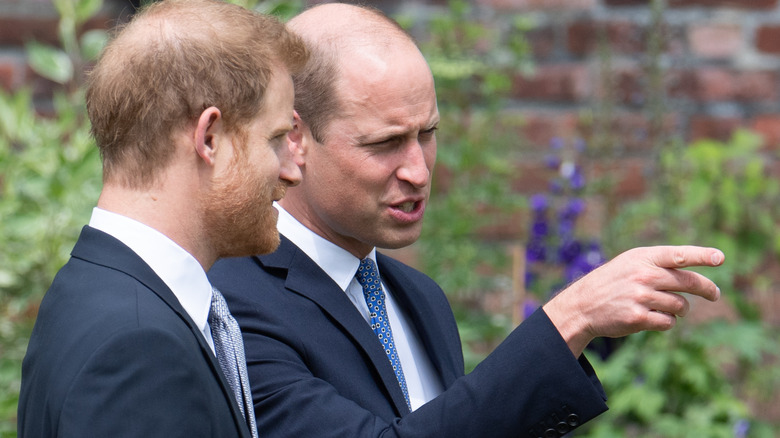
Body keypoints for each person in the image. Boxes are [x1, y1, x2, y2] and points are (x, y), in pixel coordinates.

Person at [208, 3, 724, 438]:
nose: (417, 170)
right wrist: (570, 320)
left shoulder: (418, 297)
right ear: (294, 140)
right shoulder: (232, 301)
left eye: (427, 133)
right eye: (384, 143)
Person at [17, 1, 307, 436]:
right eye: (277, 139)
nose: (292, 170)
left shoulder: (95, 289)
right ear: (209, 138)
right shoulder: (137, 347)